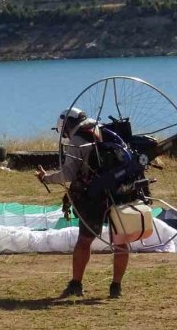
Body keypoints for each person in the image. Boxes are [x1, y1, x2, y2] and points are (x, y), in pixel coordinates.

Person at [37, 108, 128, 299]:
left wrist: (47, 178)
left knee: (85, 241)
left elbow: (68, 174)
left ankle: (76, 284)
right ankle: (116, 287)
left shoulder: (78, 140)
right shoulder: (102, 129)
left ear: (67, 125)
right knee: (120, 242)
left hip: (94, 196)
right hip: (120, 192)